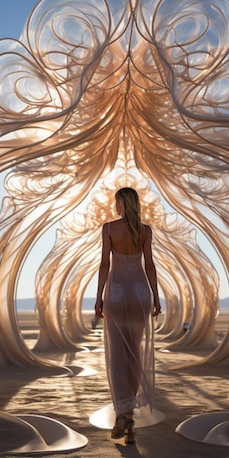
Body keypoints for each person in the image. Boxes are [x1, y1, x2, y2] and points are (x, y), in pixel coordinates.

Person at [95, 187, 161, 444]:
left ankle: (121, 415)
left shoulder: (109, 228)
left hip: (117, 291)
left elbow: (104, 264)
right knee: (135, 353)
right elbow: (150, 265)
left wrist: (99, 296)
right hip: (140, 292)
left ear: (121, 203)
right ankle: (130, 420)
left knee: (117, 355)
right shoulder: (145, 231)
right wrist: (156, 296)